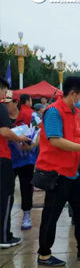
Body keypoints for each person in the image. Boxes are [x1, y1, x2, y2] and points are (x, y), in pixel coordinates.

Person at [35, 76, 80, 266]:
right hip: (56, 173)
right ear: (72, 93)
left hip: (71, 173)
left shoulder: (74, 112)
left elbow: (74, 140)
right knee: (51, 214)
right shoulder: (54, 112)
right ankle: (44, 254)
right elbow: (55, 140)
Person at [0, 82, 31, 248]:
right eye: (5, 91)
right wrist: (20, 138)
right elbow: (4, 131)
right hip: (3, 157)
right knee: (5, 197)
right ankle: (4, 236)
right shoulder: (1, 108)